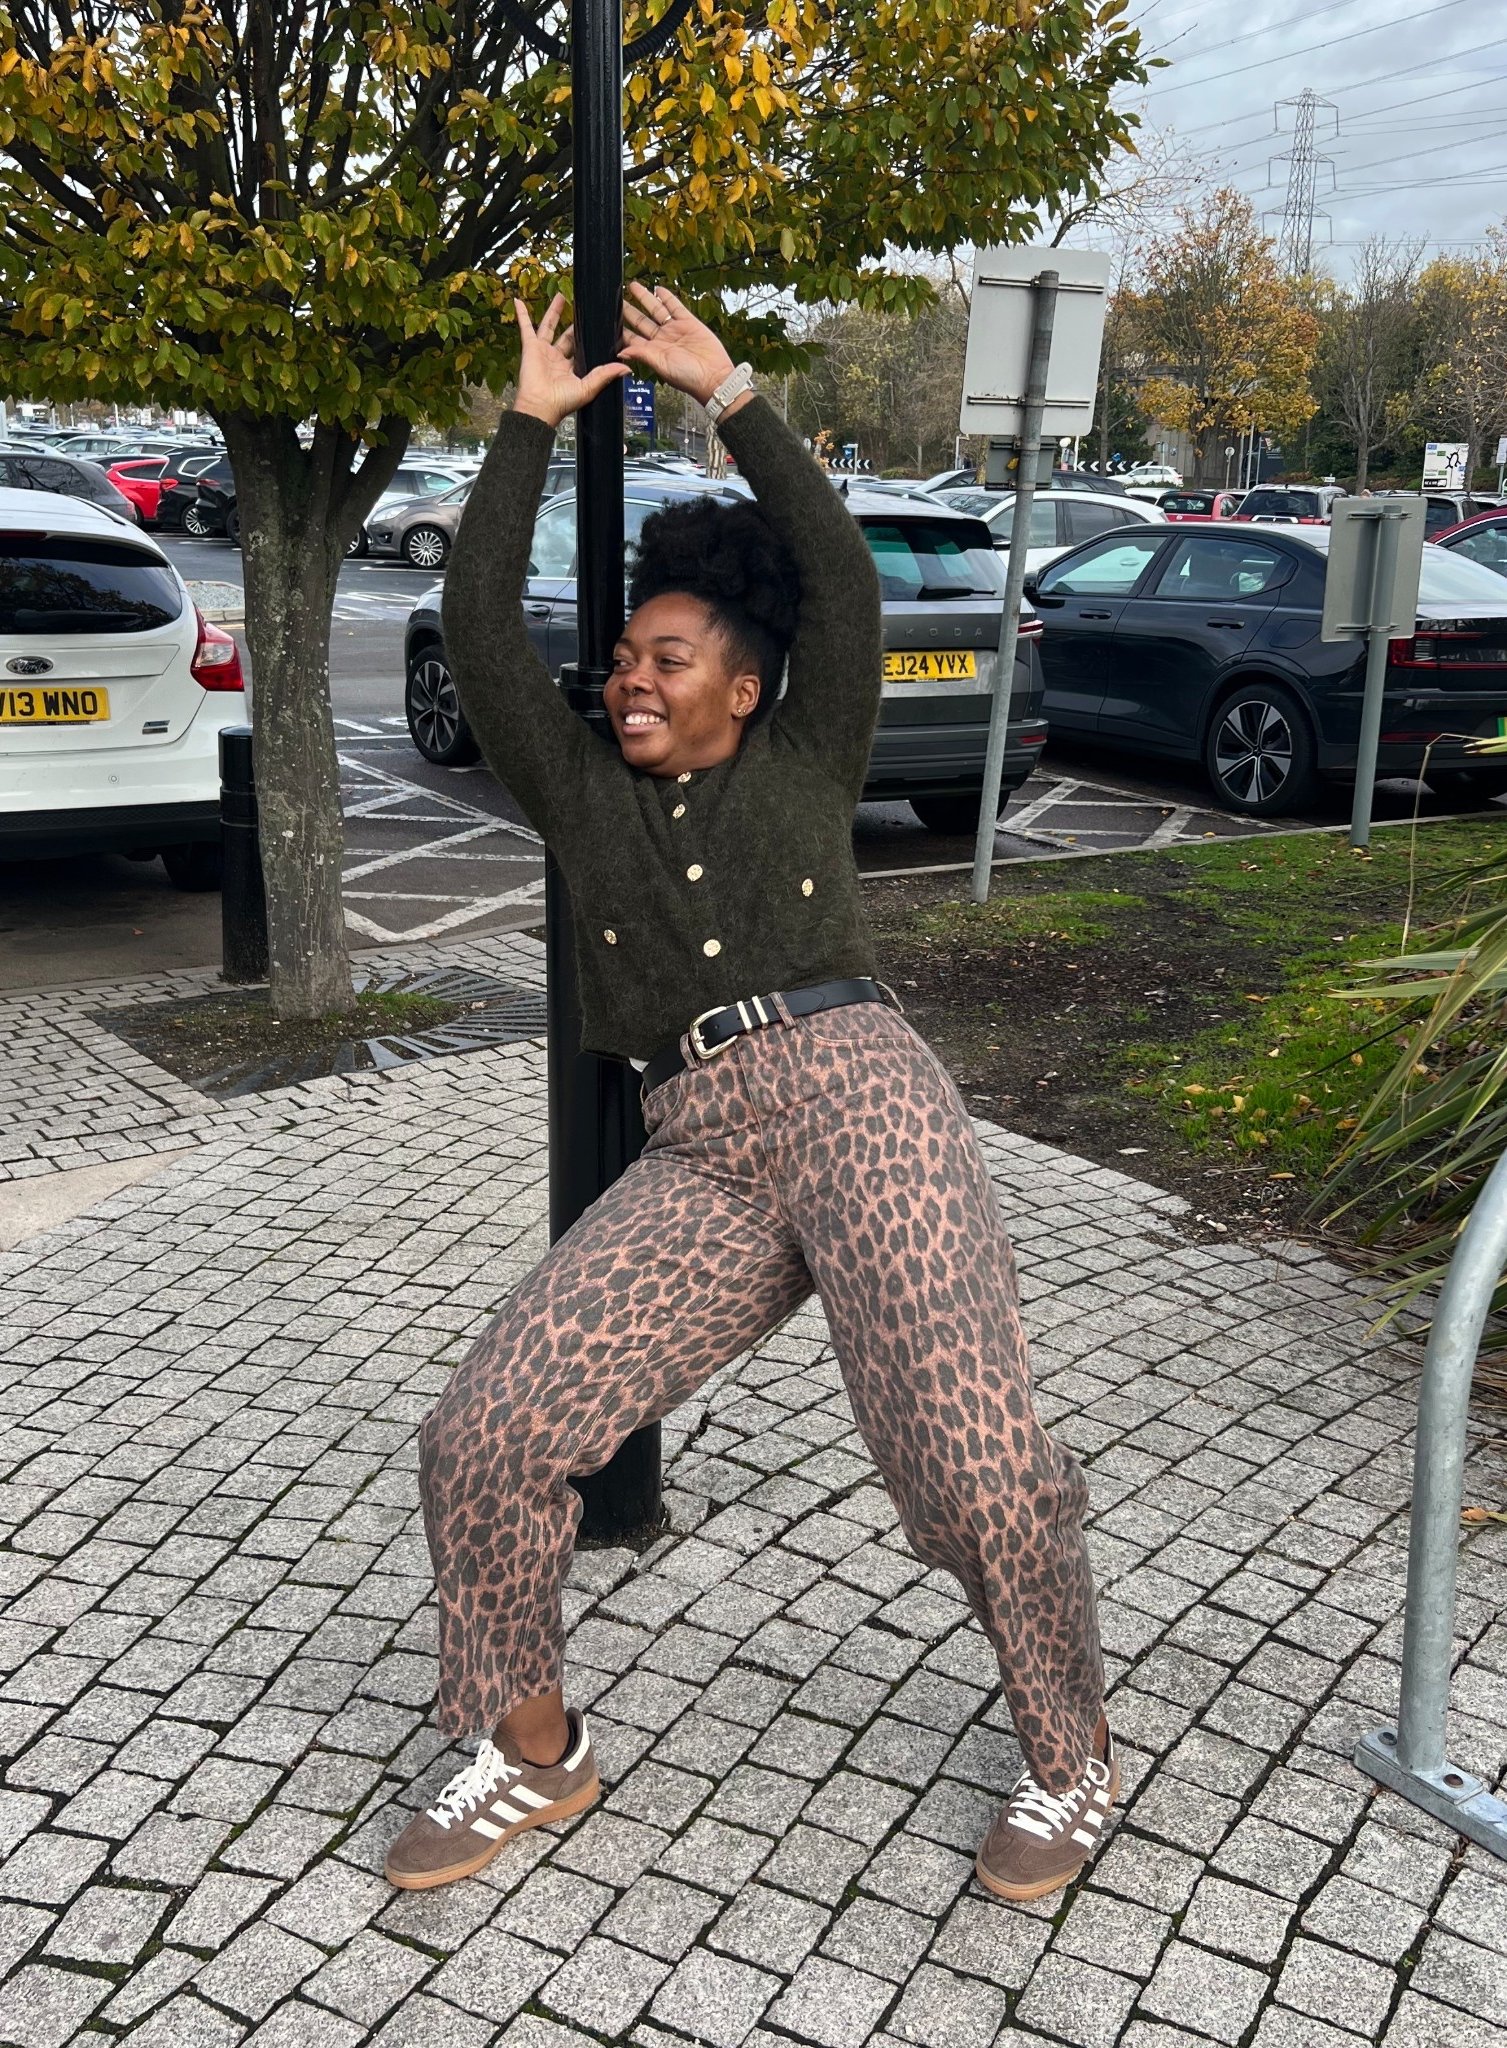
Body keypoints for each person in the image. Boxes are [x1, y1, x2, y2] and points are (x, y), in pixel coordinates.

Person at [383, 284, 1114, 1904]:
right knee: (483, 1437)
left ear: (747, 687)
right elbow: (490, 639)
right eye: (627, 655)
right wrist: (523, 430)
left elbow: (841, 585)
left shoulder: (808, 747)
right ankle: (533, 1748)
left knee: (970, 1464)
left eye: (669, 657)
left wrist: (741, 402)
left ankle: (1072, 1760)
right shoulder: (582, 787)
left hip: (863, 1099)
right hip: (700, 1145)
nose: (631, 679)